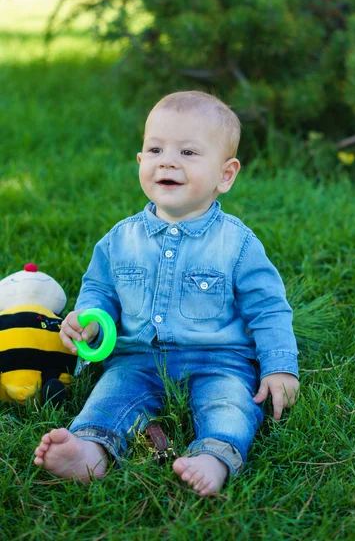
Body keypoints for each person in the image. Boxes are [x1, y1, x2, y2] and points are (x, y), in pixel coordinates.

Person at [34, 91, 299, 496]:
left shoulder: (238, 244)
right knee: (111, 397)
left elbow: (268, 308)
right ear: (141, 163)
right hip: (137, 357)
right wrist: (88, 318)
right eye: (155, 149)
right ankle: (90, 450)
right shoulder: (119, 240)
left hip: (218, 359)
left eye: (189, 152)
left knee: (231, 404)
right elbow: (100, 290)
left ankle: (214, 456)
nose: (168, 161)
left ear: (225, 175)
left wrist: (279, 365)